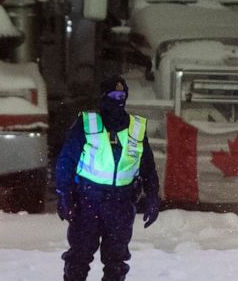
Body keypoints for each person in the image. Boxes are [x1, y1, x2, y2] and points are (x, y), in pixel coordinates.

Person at [55, 76, 160, 281]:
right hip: (87, 202)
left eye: (122, 95)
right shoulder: (87, 124)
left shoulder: (136, 128)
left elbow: (147, 167)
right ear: (103, 97)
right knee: (79, 259)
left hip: (121, 204)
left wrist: (153, 196)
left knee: (116, 263)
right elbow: (66, 161)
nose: (118, 99)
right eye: (113, 95)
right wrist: (63, 193)